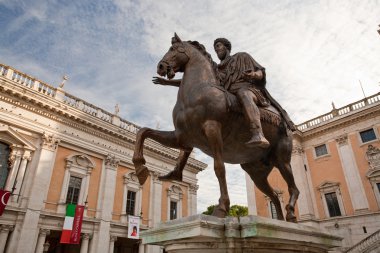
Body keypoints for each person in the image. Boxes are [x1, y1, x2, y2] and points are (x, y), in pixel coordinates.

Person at [213, 38, 296, 148]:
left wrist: (253, 74)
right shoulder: (217, 69)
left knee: (244, 94)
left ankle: (257, 133)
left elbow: (260, 72)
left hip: (249, 90)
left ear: (227, 47)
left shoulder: (242, 56)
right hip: (229, 93)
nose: (216, 49)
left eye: (218, 46)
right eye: (215, 48)